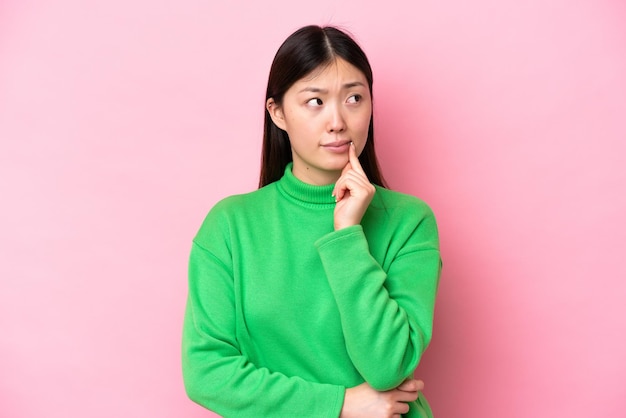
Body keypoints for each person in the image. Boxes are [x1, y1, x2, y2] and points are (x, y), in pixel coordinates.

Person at [182, 25, 441, 418]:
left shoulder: (408, 221)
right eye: (315, 102)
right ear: (278, 113)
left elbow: (388, 365)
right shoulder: (230, 226)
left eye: (354, 98)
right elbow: (206, 372)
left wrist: (348, 235)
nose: (338, 121)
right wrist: (340, 405)